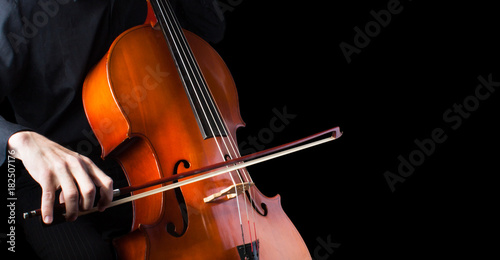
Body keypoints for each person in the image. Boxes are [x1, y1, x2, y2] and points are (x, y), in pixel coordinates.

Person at [0, 0, 225, 259]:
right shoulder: (18, 7)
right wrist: (21, 139)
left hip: (165, 161)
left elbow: (210, 31)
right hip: (61, 171)